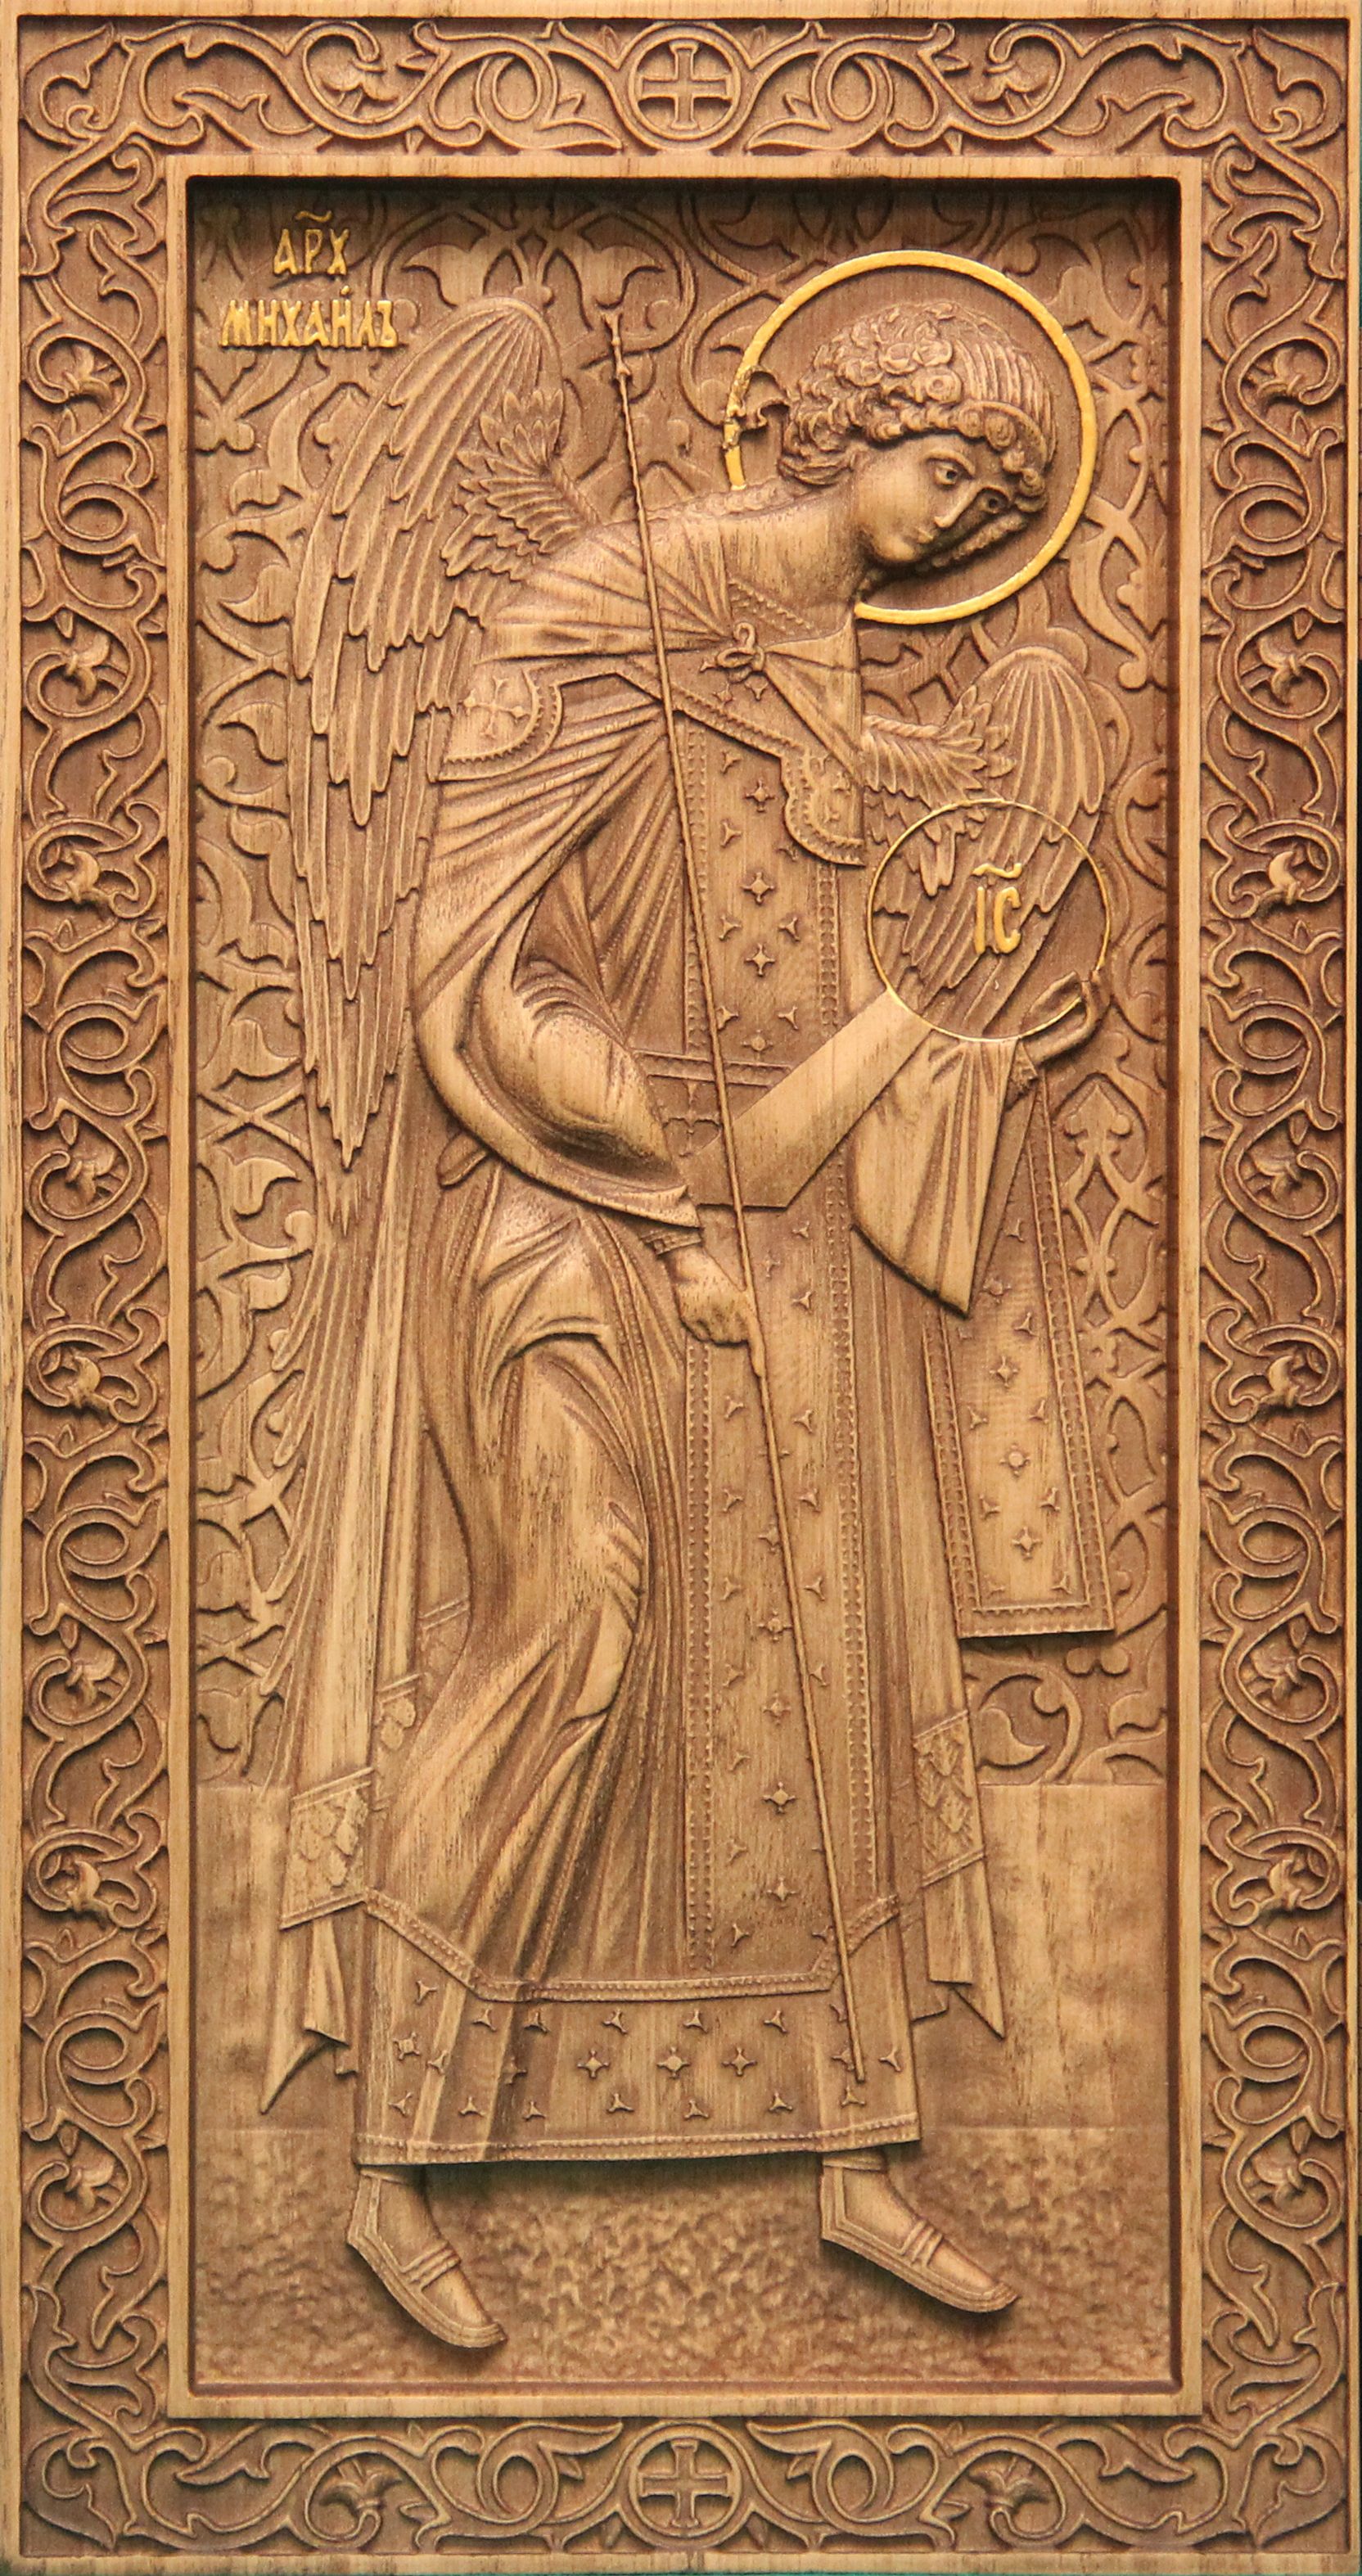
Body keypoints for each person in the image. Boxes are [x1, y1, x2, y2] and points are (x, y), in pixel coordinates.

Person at [268, 299, 1106, 2350]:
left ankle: (858, 2156)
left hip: (794, 1236)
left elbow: (850, 959)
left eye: (997, 502)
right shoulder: (606, 609)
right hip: (566, 1207)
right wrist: (633, 1146)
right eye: (941, 467)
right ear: (840, 427)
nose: (958, 521)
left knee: (822, 1678)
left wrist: (964, 1024)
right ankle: (393, 2159)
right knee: (574, 1623)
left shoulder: (848, 683)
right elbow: (477, 952)